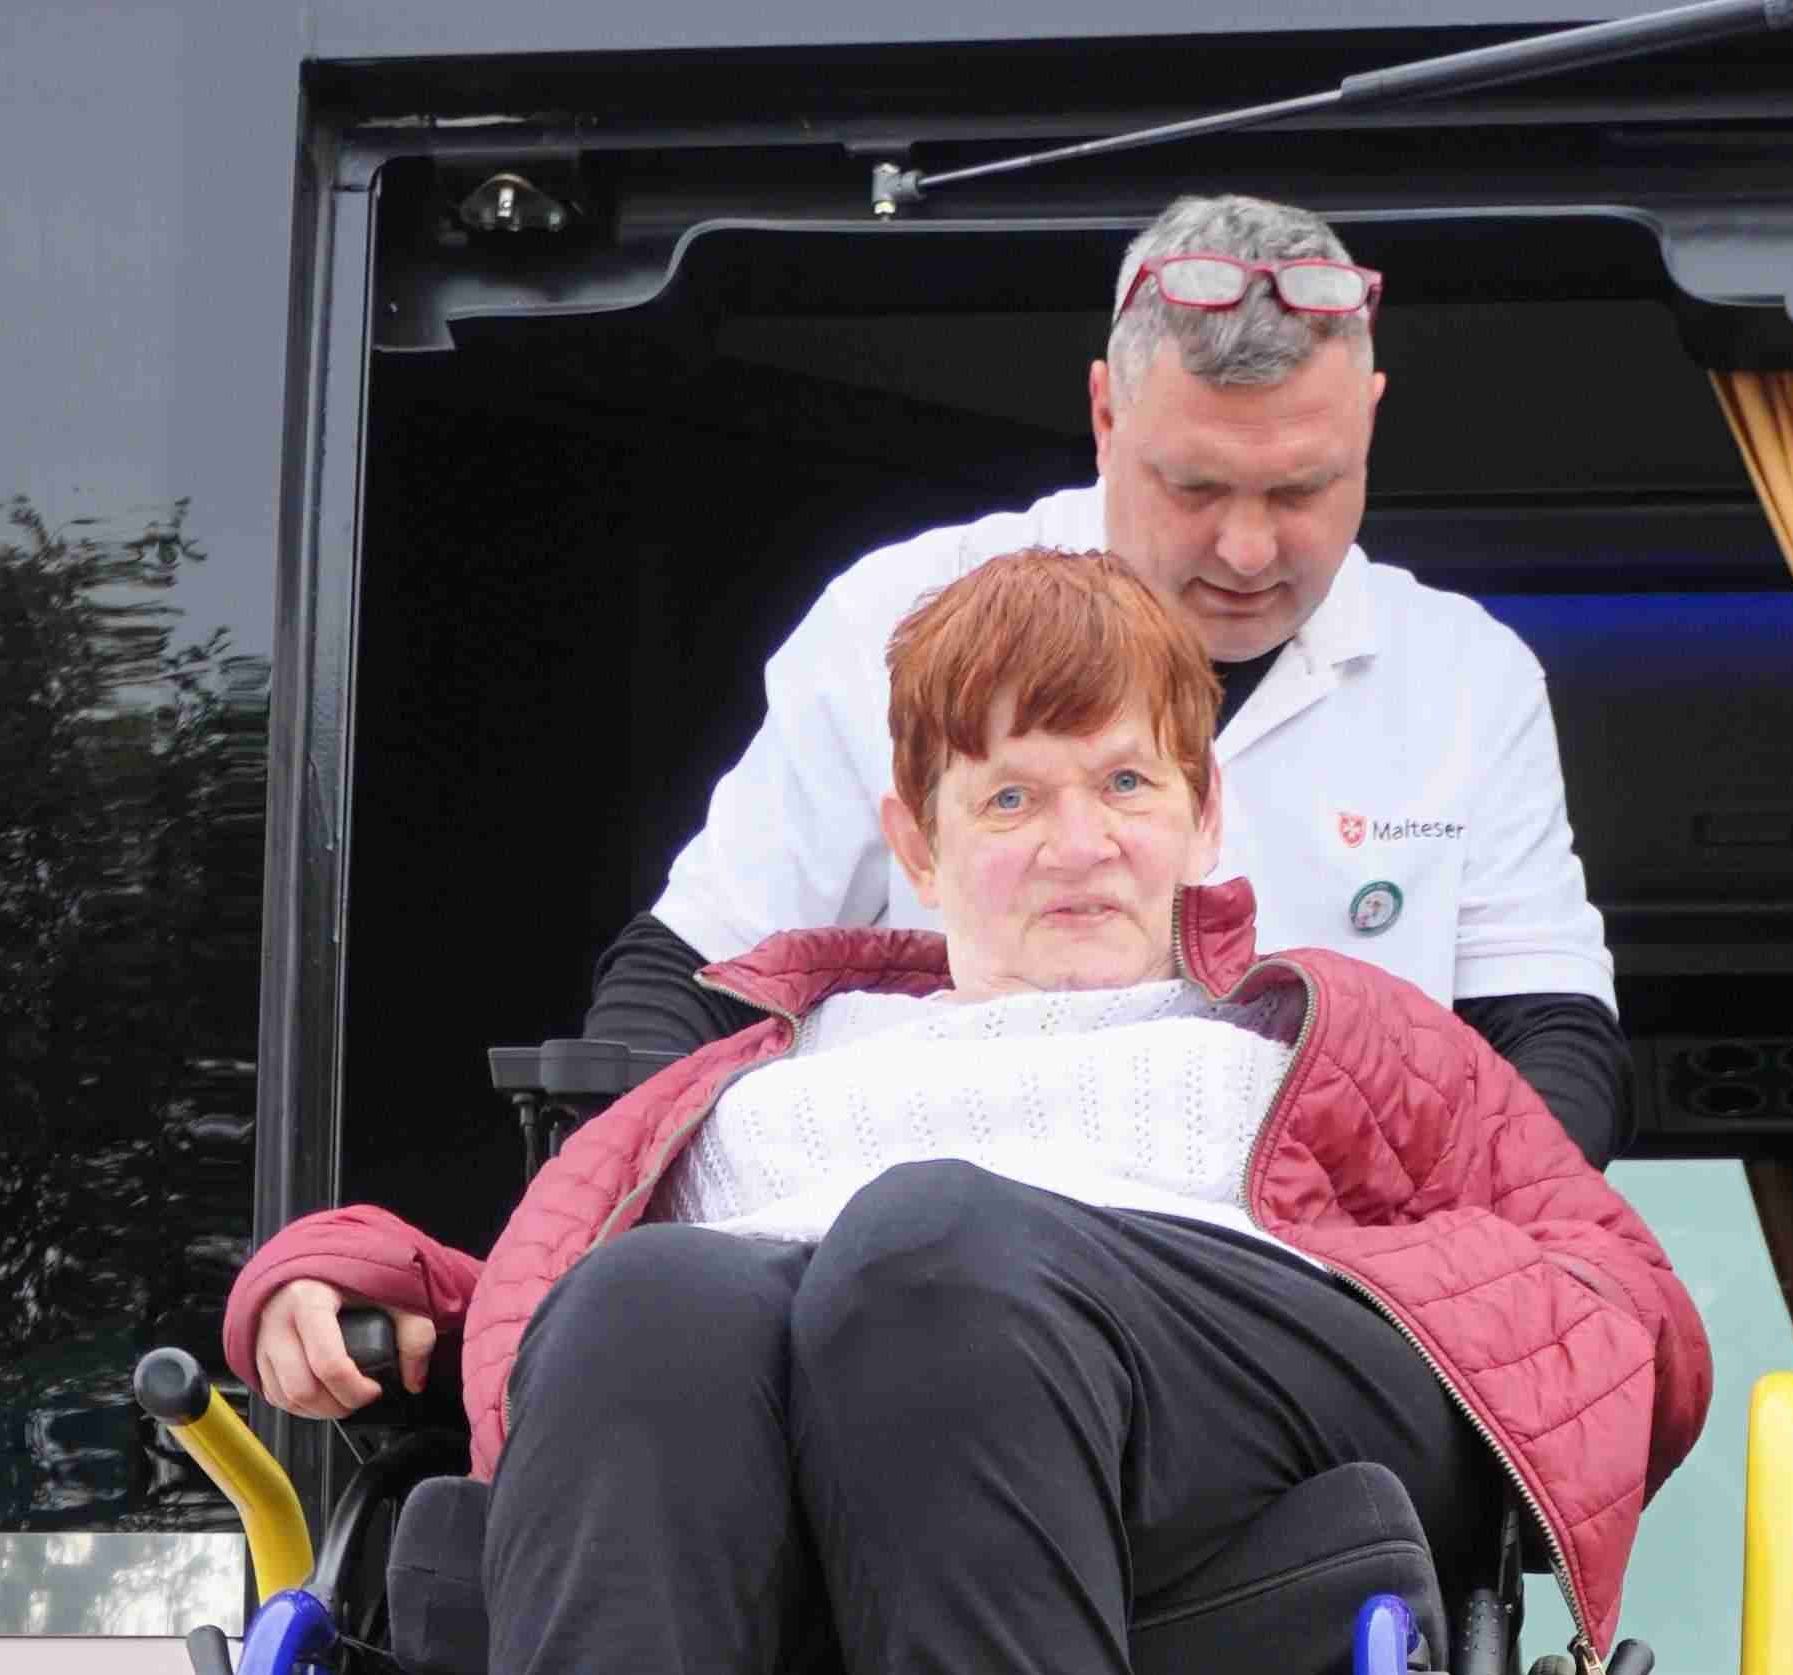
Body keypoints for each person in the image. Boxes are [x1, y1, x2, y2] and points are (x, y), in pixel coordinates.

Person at [218, 551, 1705, 1675]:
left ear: (1204, 814)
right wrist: (366, 1284)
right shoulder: (757, 1074)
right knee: (652, 1296)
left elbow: (1612, 1302)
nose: (1079, 841)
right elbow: (542, 1325)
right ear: (912, 845)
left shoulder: (1319, 1033)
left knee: (932, 1246)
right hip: (794, 1576)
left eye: (1126, 783)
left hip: (1196, 1487)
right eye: (1010, 796)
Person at [584, 193, 1629, 1178]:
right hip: (933, 1241)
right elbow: (691, 981)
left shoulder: (1465, 673)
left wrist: (1441, 1234)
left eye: (1303, 489)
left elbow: (1553, 1037)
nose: (1249, 548)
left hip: (1328, 1259)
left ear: (1371, 419)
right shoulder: (897, 618)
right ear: (1104, 415)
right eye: (1195, 486)